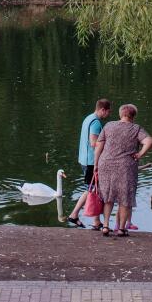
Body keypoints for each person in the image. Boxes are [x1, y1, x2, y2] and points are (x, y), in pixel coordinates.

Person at [93, 103, 152, 237]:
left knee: (108, 197)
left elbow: (99, 145)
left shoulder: (109, 126)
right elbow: (149, 141)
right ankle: (121, 229)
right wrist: (140, 154)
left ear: (121, 114)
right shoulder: (136, 128)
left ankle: (105, 226)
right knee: (125, 198)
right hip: (125, 167)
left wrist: (96, 164)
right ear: (133, 116)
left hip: (106, 164)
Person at [65, 98, 111, 229]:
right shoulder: (96, 122)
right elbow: (93, 143)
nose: (108, 115)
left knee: (95, 189)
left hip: (84, 159)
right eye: (108, 112)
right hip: (91, 161)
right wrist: (109, 146)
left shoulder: (88, 118)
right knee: (91, 189)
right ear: (102, 110)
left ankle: (96, 221)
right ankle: (74, 214)